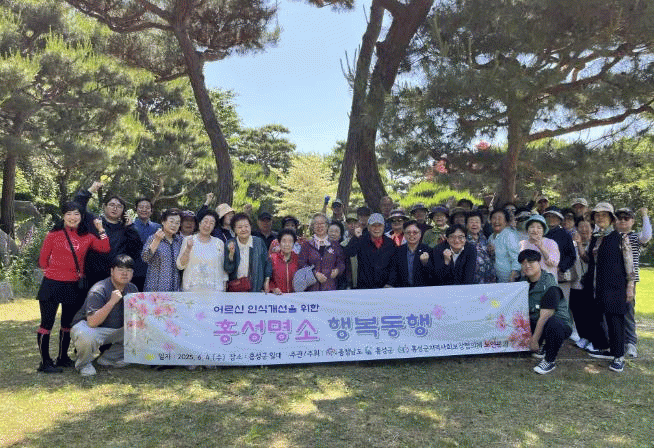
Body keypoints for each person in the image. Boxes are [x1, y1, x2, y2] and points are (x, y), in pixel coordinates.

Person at [35, 201, 109, 373]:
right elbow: (42, 261)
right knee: (46, 323)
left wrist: (100, 229)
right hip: (52, 284)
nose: (72, 217)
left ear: (81, 217)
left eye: (76, 214)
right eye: (68, 213)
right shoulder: (53, 235)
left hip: (73, 285)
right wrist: (56, 271)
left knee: (67, 324)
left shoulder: (87, 236)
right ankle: (45, 362)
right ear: (63, 216)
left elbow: (105, 248)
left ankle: (62, 358)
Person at [585, 202, 635, 372]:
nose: (600, 218)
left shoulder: (621, 238)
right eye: (597, 215)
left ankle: (619, 356)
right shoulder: (596, 238)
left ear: (611, 219)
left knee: (615, 320)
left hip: (616, 287)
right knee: (600, 318)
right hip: (598, 286)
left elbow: (629, 264)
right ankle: (609, 350)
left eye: (604, 215)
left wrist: (630, 286)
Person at [70, 255, 137, 377]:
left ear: (132, 273)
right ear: (112, 271)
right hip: (91, 328)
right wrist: (112, 302)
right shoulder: (99, 289)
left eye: (128, 270)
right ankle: (84, 365)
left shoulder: (132, 289)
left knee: (141, 331)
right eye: (120, 269)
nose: (125, 273)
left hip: (115, 329)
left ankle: (108, 359)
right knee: (85, 335)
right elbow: (92, 322)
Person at [74, 184, 142, 291]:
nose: (115, 208)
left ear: (123, 212)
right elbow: (76, 207)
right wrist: (90, 191)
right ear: (104, 207)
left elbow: (136, 250)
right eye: (111, 205)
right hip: (91, 276)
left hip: (116, 279)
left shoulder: (126, 230)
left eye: (119, 206)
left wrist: (130, 227)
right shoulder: (94, 222)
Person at [519, 249, 572, 375]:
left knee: (553, 323)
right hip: (535, 320)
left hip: (557, 324)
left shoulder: (550, 285)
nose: (527, 265)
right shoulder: (522, 282)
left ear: (539, 263)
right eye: (523, 263)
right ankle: (542, 346)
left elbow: (545, 316)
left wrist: (534, 340)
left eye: (531, 262)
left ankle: (549, 360)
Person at [614, 207, 651, 358]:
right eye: (619, 218)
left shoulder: (635, 237)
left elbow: (647, 236)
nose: (623, 220)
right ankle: (617, 340)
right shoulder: (612, 237)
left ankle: (631, 343)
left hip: (630, 281)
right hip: (612, 280)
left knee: (628, 311)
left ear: (632, 221)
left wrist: (645, 215)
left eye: (626, 218)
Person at [176, 210, 228, 292]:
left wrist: (224, 286)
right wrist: (188, 249)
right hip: (191, 290)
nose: (207, 225)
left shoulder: (219, 243)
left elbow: (223, 268)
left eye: (211, 223)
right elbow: (180, 265)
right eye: (205, 221)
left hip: (214, 291)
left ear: (214, 227)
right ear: (199, 223)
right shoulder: (188, 240)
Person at [345, 213, 397, 289]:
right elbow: (348, 253)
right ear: (368, 227)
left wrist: (390, 283)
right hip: (365, 288)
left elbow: (394, 266)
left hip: (385, 287)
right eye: (373, 226)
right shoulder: (361, 240)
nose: (376, 228)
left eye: (379, 225)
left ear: (384, 227)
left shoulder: (390, 242)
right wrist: (356, 237)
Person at [224, 213, 272, 293]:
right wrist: (231, 255)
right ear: (234, 229)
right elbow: (228, 269)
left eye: (246, 226)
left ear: (250, 227)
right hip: (236, 290)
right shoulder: (230, 244)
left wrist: (266, 281)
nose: (243, 229)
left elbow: (267, 263)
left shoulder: (259, 242)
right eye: (240, 227)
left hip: (256, 288)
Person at [298, 214, 346, 292]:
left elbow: (341, 263)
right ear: (312, 227)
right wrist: (314, 273)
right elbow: (301, 264)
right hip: (311, 289)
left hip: (330, 288)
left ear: (327, 226)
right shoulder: (306, 245)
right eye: (316, 224)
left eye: (322, 223)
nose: (319, 226)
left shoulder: (335, 245)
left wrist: (337, 270)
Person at [142, 209, 183, 292]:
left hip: (175, 290)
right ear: (163, 222)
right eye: (171, 221)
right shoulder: (153, 238)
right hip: (155, 289)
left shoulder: (180, 240)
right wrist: (156, 241)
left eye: (177, 223)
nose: (174, 225)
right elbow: (145, 258)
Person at [132, 197, 161, 291]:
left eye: (147, 207)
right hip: (134, 271)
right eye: (141, 207)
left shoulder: (158, 228)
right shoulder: (129, 226)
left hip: (153, 272)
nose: (144, 209)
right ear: (136, 209)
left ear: (151, 211)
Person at [392, 220, 432, 287]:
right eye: (408, 232)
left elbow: (433, 275)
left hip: (423, 289)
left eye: (415, 232)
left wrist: (425, 263)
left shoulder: (428, 251)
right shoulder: (397, 251)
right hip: (402, 289)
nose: (411, 235)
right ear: (404, 234)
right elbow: (393, 272)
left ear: (420, 234)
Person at [488, 209, 521, 282]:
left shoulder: (509, 235)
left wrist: (513, 276)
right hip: (495, 279)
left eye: (499, 218)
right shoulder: (491, 237)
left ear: (506, 222)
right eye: (494, 218)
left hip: (509, 279)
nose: (496, 221)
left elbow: (516, 257)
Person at [466, 210, 496, 283]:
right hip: (473, 280)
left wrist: (491, 252)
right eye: (471, 222)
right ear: (466, 225)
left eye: (477, 222)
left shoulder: (484, 238)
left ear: (481, 224)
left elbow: (490, 257)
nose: (474, 224)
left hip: (488, 278)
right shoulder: (463, 240)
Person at [269, 229, 300, 294]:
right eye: (284, 241)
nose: (287, 244)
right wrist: (273, 288)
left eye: (290, 241)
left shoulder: (298, 259)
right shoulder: (272, 258)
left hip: (295, 297)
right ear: (279, 242)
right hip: (277, 297)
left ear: (294, 243)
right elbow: (267, 279)